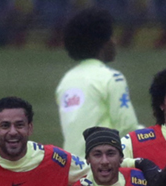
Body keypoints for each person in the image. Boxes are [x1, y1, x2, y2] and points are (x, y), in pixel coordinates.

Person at [56, 7, 140, 158]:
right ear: (104, 43)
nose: (114, 42)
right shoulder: (112, 78)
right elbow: (128, 128)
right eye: (111, 37)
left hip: (72, 168)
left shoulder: (66, 81)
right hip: (103, 168)